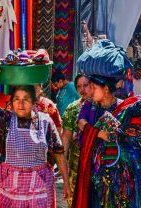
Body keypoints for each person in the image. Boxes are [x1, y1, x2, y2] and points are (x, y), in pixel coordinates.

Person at [0, 62, 71, 206]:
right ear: (11, 102)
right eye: (16, 99)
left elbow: (59, 153)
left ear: (34, 102)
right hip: (11, 185)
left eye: (26, 99)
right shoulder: (6, 119)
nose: (21, 104)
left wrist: (66, 181)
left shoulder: (45, 121)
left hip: (39, 184)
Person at [74, 75, 141, 208]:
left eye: (93, 87)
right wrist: (99, 133)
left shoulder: (125, 109)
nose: (90, 90)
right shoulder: (90, 106)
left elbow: (138, 141)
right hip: (98, 173)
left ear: (105, 89)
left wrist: (122, 136)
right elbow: (81, 123)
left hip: (123, 176)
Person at [61, 74, 92, 206]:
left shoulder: (100, 107)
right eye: (79, 86)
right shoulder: (72, 109)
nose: (82, 89)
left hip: (94, 163)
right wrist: (63, 164)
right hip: (76, 162)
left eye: (85, 85)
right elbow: (66, 137)